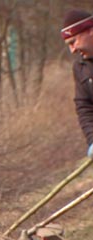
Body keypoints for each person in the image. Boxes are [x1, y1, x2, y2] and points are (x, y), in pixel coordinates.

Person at [62, 9, 93, 158]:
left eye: (73, 42)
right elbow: (84, 106)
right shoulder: (80, 68)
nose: (72, 50)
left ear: (90, 31)